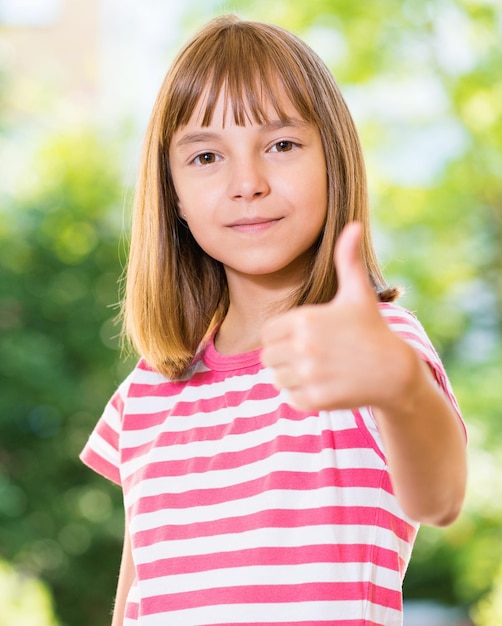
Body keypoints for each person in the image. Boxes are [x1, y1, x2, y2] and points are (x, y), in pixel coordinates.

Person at [80, 14, 467, 626]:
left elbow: (440, 498)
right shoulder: (147, 390)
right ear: (173, 194)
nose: (247, 183)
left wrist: (403, 389)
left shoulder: (372, 348)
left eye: (281, 145)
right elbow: (136, 600)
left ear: (333, 160)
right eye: (206, 155)